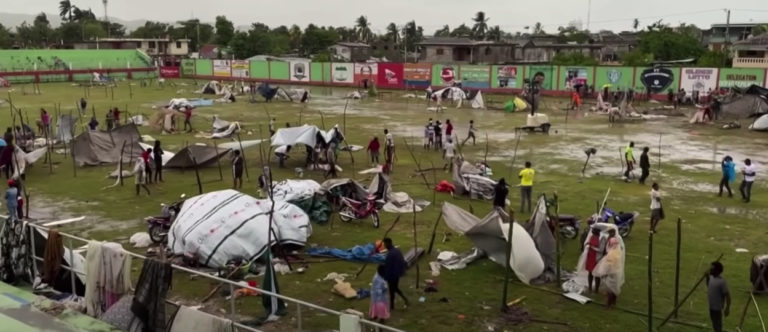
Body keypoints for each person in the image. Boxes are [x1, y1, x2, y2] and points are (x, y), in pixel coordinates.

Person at [593, 229, 622, 309]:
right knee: (614, 287)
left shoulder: (611, 254)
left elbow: (609, 265)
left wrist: (605, 272)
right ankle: (613, 302)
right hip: (616, 271)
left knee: (609, 288)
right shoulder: (617, 252)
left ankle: (608, 305)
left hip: (611, 272)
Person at [382, 238, 409, 310]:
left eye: (385, 244)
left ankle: (392, 306)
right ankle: (404, 300)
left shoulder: (390, 254)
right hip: (398, 273)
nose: (384, 246)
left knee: (392, 290)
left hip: (392, 274)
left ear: (388, 243)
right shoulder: (397, 250)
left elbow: (388, 267)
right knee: (395, 288)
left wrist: (386, 276)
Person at [707, 261, 730, 332]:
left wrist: (727, 308)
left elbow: (727, 295)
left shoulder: (721, 282)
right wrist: (706, 278)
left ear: (717, 271)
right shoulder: (711, 278)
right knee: (714, 324)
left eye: (712, 269)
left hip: (717, 308)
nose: (710, 270)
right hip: (711, 306)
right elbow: (709, 286)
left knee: (717, 325)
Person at [585, 227, 602, 292]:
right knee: (590, 273)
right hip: (590, 256)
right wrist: (588, 244)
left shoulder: (600, 238)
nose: (593, 232)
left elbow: (600, 250)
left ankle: (596, 289)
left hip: (597, 257)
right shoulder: (591, 236)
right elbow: (588, 243)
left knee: (597, 274)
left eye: (594, 231)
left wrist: (591, 247)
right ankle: (590, 287)